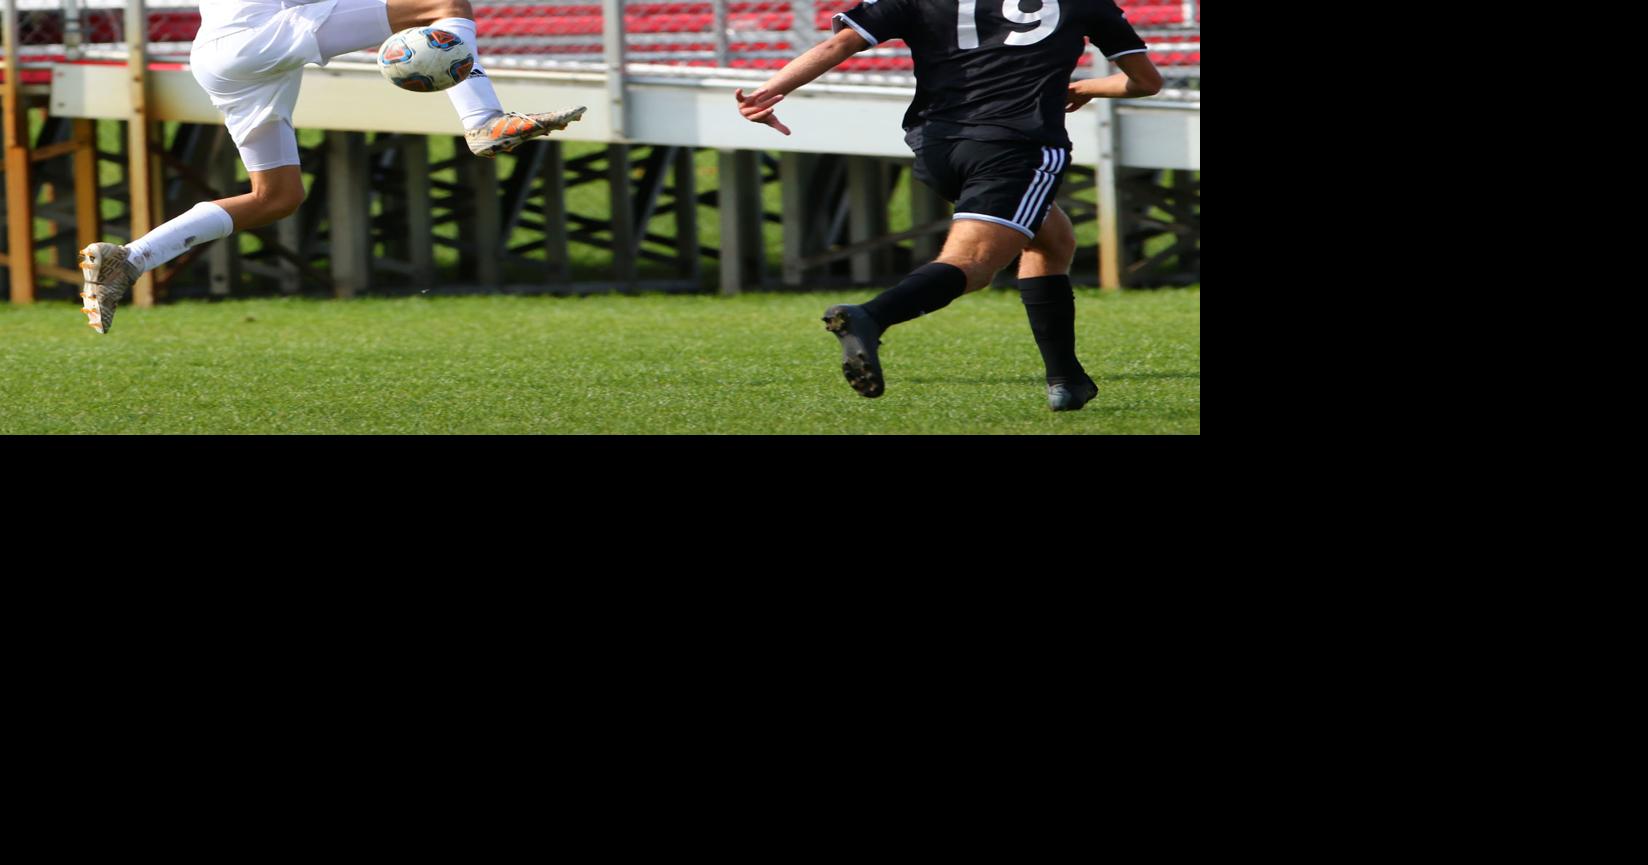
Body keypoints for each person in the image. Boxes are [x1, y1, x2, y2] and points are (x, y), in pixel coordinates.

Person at [735, 0, 1162, 411]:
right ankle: (870, 316)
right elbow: (1145, 82)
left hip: (939, 149)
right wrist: (1087, 87)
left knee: (1052, 241)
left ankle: (1067, 380)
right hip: (1017, 146)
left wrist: (766, 92)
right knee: (972, 264)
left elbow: (839, 44)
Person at [78, 0, 587, 334]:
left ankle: (129, 259)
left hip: (222, 55)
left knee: (276, 196)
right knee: (443, 4)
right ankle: (483, 119)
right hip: (261, 36)